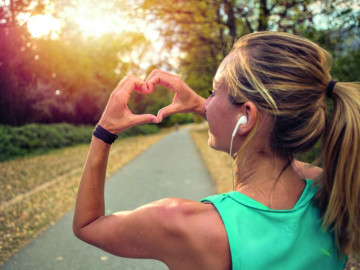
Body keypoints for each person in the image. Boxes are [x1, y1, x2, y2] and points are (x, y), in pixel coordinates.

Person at [73, 31, 360, 269]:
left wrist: (104, 131)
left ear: (246, 116)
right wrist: (202, 104)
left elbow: (88, 224)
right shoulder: (333, 188)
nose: (206, 104)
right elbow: (256, 132)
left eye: (213, 91)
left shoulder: (181, 224)